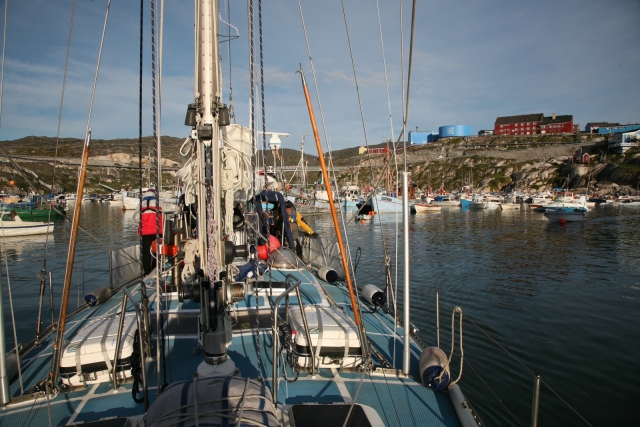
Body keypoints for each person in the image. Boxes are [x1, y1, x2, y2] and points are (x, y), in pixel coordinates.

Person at [133, 189, 162, 275]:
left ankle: (146, 273)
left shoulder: (141, 204)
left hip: (145, 233)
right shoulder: (159, 202)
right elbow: (168, 213)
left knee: (146, 254)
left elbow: (135, 218)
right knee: (157, 253)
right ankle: (155, 270)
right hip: (158, 232)